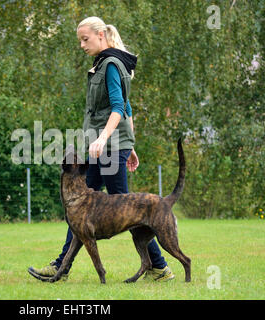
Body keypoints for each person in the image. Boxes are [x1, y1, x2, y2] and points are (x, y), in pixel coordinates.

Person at [28, 16, 174, 282]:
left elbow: (119, 108)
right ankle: (61, 267)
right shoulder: (107, 64)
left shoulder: (109, 65)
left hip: (106, 146)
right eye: (80, 40)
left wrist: (107, 139)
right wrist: (129, 144)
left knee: (127, 208)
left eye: (85, 39)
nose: (82, 45)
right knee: (79, 207)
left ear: (101, 36)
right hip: (108, 147)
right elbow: (127, 108)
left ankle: (160, 267)